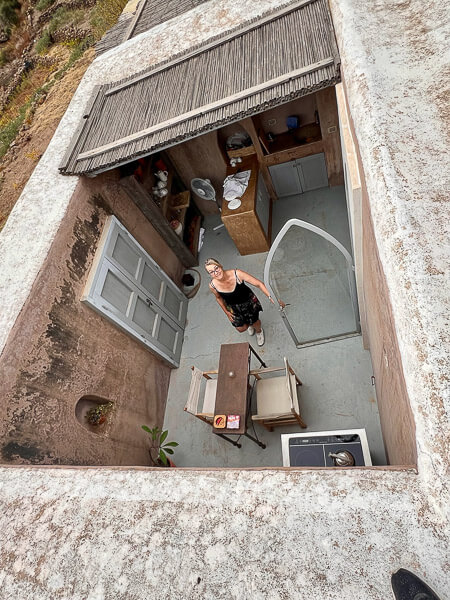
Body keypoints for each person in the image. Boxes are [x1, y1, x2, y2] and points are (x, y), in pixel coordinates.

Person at [204, 258, 285, 346]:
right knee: (241, 328)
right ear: (209, 274)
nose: (216, 273)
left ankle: (259, 331)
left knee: (255, 322)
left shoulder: (237, 274)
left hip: (248, 303)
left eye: (216, 268)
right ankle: (249, 325)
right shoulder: (212, 285)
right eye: (211, 272)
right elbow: (218, 298)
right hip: (233, 307)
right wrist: (226, 312)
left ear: (220, 266)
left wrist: (271, 297)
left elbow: (259, 284)